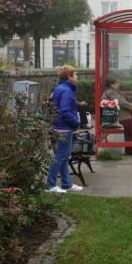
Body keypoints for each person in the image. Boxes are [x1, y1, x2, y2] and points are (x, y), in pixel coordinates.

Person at [45, 65, 84, 193]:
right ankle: (50, 185)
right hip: (64, 128)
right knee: (61, 156)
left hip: (58, 126)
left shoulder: (59, 88)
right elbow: (65, 111)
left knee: (63, 156)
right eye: (75, 74)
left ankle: (67, 183)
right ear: (69, 77)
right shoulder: (67, 91)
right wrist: (76, 123)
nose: (77, 76)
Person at [101, 77, 132, 154]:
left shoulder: (111, 92)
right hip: (117, 118)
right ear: (112, 85)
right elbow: (121, 102)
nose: (118, 84)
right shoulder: (111, 92)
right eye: (116, 83)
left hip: (117, 116)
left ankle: (130, 150)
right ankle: (131, 150)